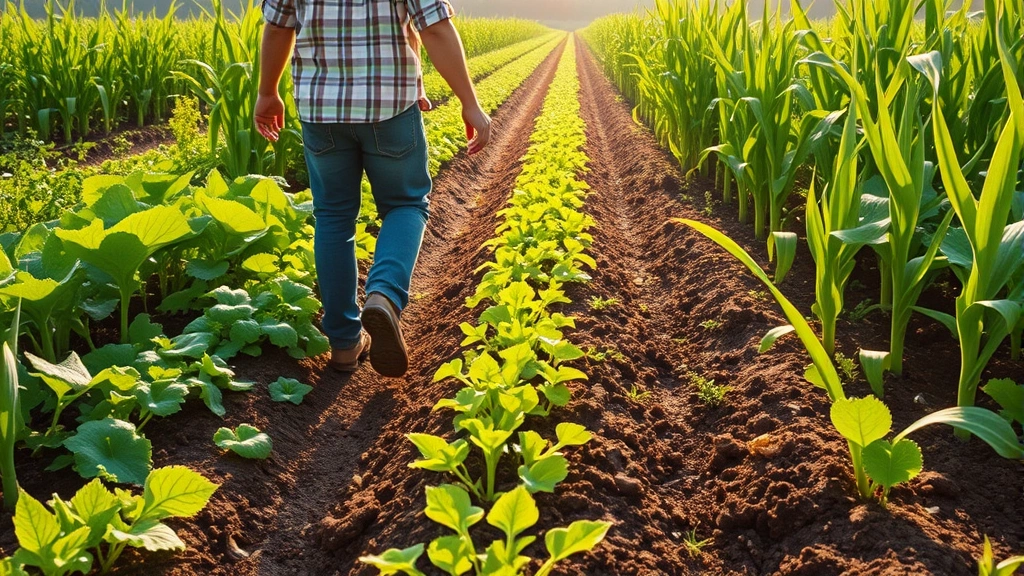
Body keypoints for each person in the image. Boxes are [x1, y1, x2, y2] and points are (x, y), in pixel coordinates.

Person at [254, 0, 492, 378]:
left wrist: (268, 92)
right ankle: (383, 294)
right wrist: (470, 102)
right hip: (390, 109)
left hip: (321, 110)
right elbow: (433, 27)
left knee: (333, 216)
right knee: (406, 204)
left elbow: (278, 27)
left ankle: (344, 344)